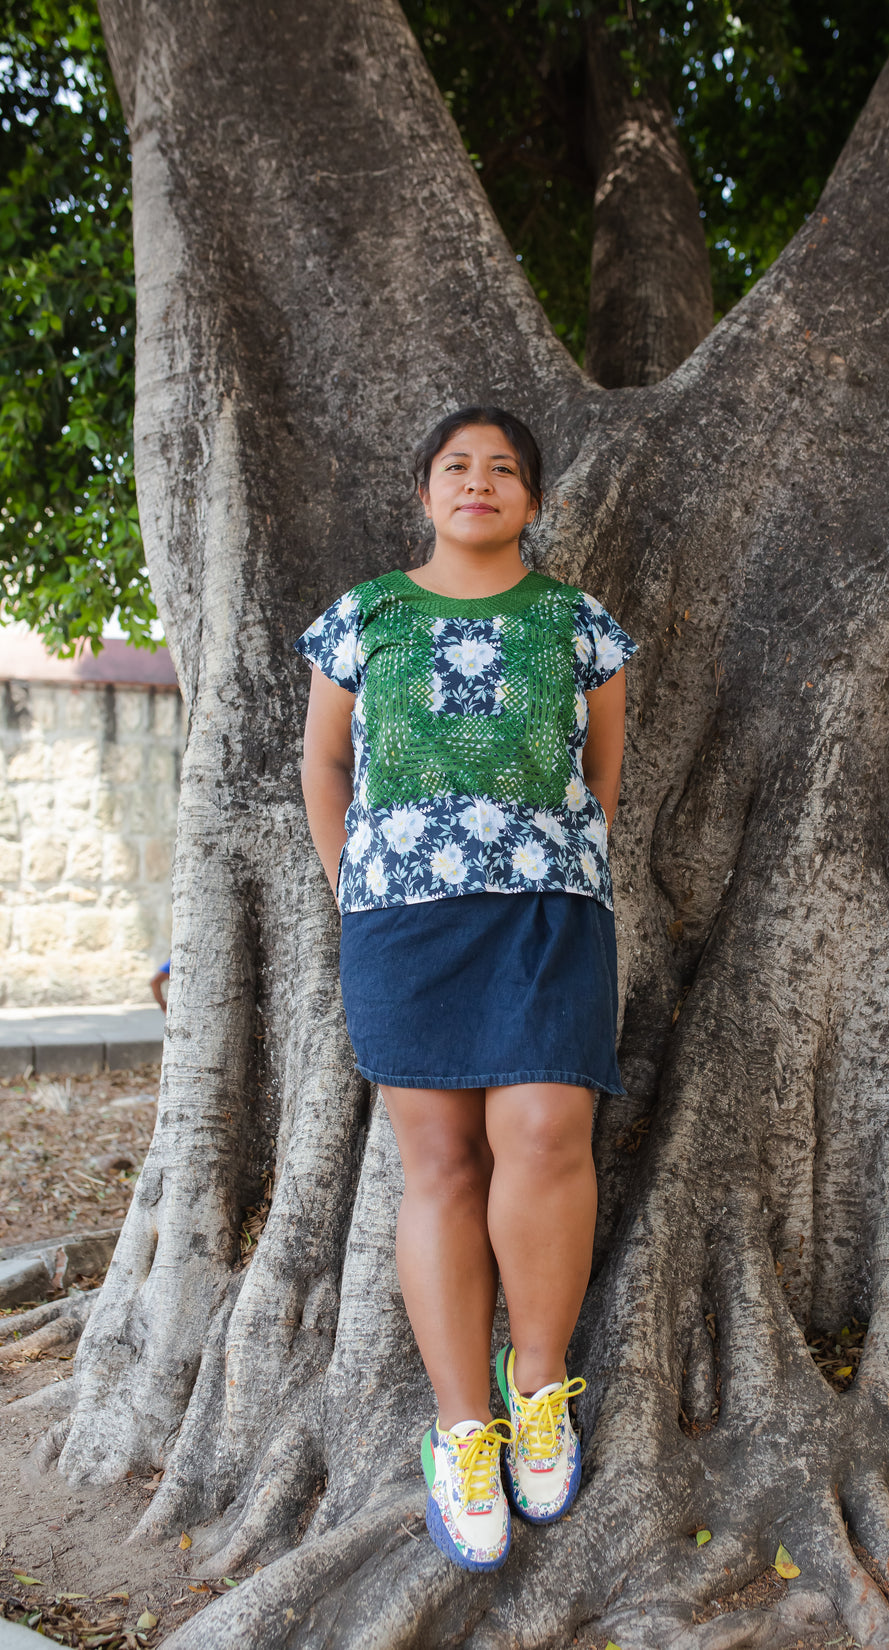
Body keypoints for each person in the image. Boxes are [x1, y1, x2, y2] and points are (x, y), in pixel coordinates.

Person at [295, 406, 636, 1573]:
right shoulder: (366, 615)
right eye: (456, 466)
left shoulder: (577, 623)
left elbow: (600, 773)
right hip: (402, 920)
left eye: (502, 470)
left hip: (547, 909)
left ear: (532, 502)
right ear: (424, 493)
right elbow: (323, 763)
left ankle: (534, 1384)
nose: (478, 482)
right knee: (436, 1162)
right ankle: (460, 1429)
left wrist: (541, 852)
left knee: (546, 1132)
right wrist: (357, 881)